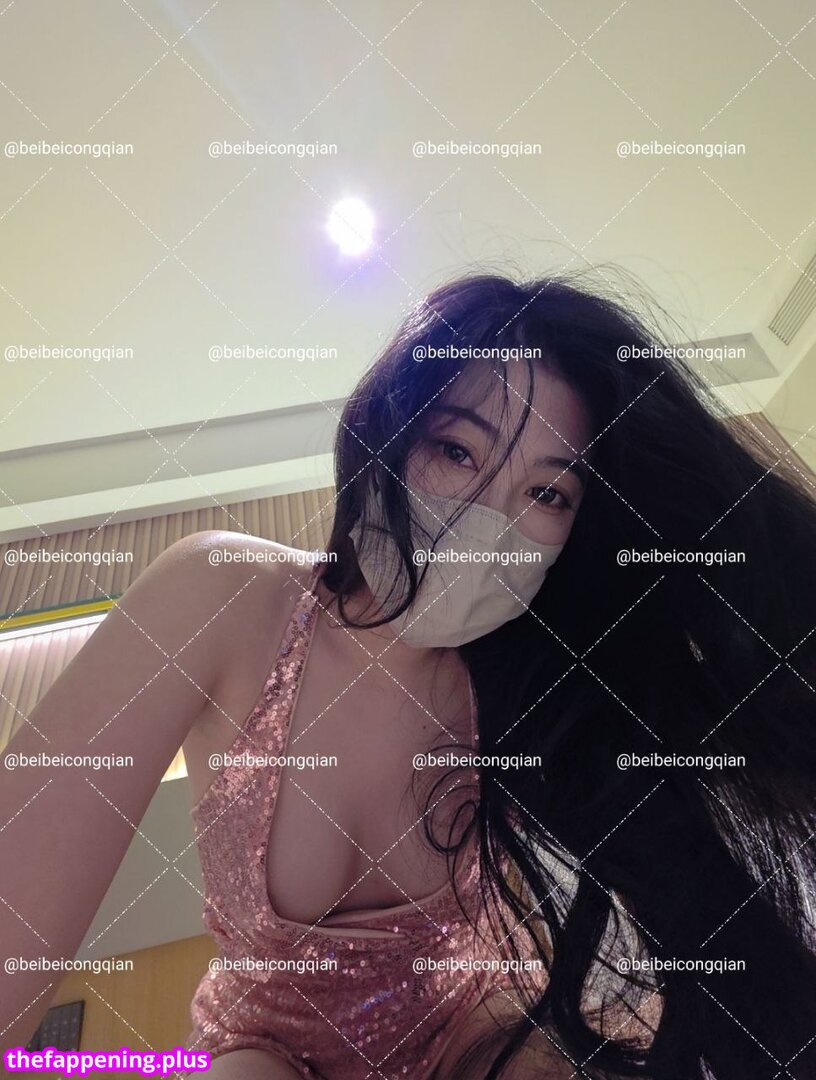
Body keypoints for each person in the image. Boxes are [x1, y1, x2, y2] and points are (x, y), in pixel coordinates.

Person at [2, 272, 815, 1080]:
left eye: (547, 491)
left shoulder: (531, 688)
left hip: (477, 1018)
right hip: (265, 1044)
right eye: (457, 450)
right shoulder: (227, 597)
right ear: (385, 435)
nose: (484, 521)